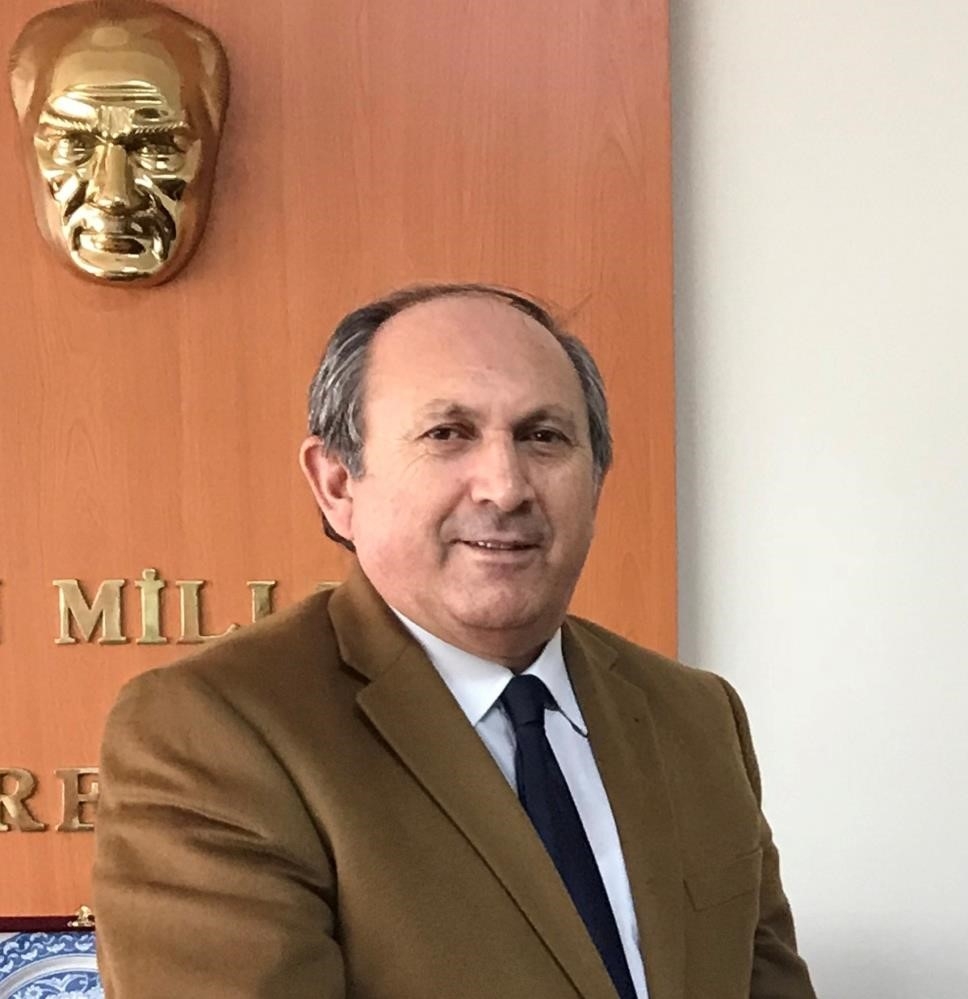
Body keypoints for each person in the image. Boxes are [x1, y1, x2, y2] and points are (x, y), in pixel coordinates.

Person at [93, 283, 816, 998]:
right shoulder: (212, 731)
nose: (505, 487)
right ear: (337, 483)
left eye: (543, 436)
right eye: (448, 434)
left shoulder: (697, 715)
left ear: (596, 480)